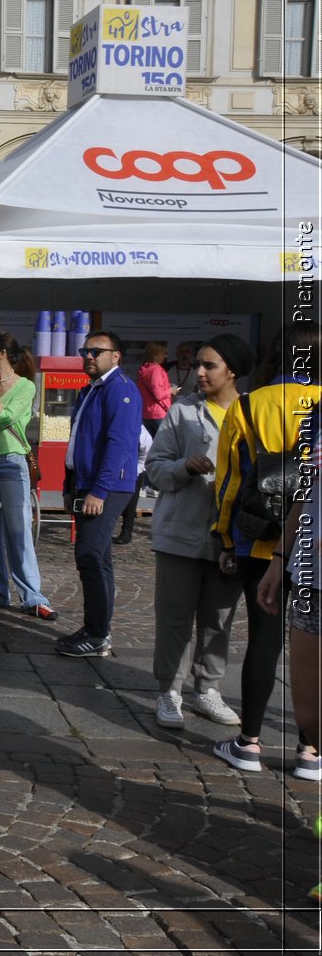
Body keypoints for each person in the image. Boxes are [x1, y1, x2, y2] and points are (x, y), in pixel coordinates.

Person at [211, 323, 320, 771]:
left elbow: (230, 482)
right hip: (313, 542)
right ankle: (310, 750)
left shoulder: (249, 405)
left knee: (264, 641)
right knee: (314, 650)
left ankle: (250, 742)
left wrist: (224, 537)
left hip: (262, 541)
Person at [147, 333, 255, 730]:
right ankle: (168, 691)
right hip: (180, 532)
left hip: (233, 537)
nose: (200, 372)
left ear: (233, 371)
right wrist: (184, 467)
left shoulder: (252, 412)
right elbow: (155, 468)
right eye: (199, 365)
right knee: (174, 617)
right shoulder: (183, 411)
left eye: (210, 365)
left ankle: (207, 688)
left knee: (219, 618)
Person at [55, 330, 144, 658]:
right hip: (86, 483)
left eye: (97, 351)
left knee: (90, 555)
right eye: (85, 350)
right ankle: (96, 629)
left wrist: (99, 491)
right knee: (97, 557)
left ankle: (96, 633)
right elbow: (77, 441)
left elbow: (120, 444)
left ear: (116, 357)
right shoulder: (92, 389)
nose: (89, 355)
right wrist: (69, 486)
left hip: (106, 487)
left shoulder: (120, 390)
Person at [0, 332, 54, 619]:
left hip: (11, 461)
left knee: (19, 531)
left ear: (2, 353)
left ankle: (32, 596)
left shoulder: (25, 387)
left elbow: (4, 419)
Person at [255, 412, 322, 783]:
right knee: (310, 716)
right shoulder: (317, 415)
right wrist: (280, 559)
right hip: (310, 576)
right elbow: (305, 494)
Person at [137, 341, 172, 436]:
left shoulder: (143, 369)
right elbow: (158, 395)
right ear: (155, 355)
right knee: (162, 445)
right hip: (158, 414)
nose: (166, 357)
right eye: (163, 353)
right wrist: (171, 390)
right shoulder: (156, 370)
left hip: (146, 413)